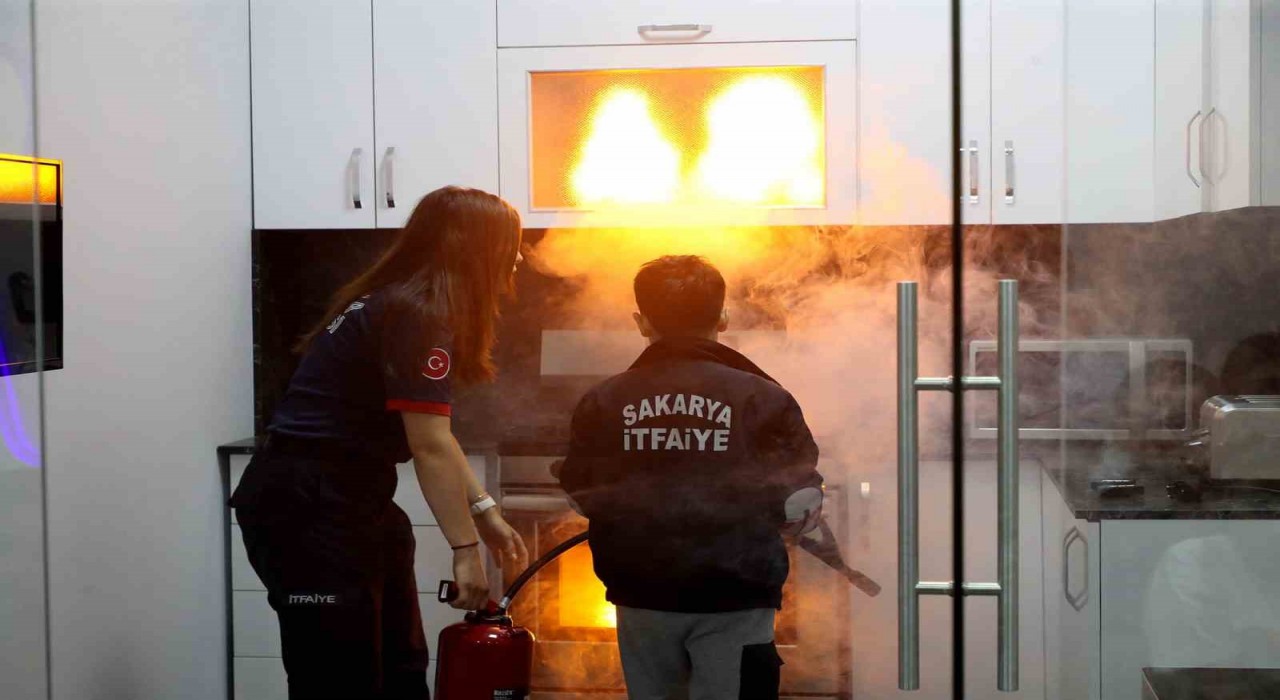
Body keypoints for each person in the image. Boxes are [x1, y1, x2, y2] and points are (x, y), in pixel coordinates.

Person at [229, 186, 529, 700]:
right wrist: (465, 551)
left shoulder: (403, 302)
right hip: (305, 507)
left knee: (400, 668)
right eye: (511, 245)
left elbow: (436, 435)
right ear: (478, 251)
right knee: (337, 678)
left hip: (353, 497)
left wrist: (485, 511)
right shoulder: (417, 313)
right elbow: (429, 446)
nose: (518, 258)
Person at [556, 255, 824, 700]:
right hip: (737, 596)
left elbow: (582, 492)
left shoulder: (603, 399)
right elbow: (799, 497)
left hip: (640, 595)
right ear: (723, 317)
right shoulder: (765, 397)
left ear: (642, 322)